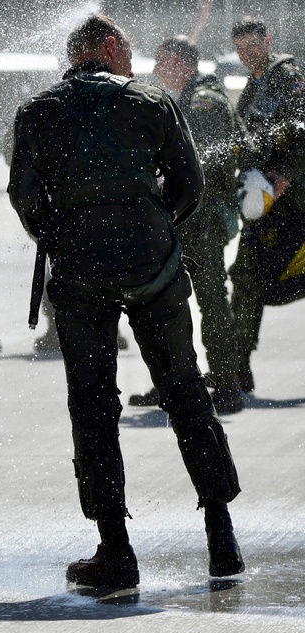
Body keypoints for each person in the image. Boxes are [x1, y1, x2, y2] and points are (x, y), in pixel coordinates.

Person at [8, 14, 243, 588]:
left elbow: (24, 198)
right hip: (154, 269)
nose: (134, 60)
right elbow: (190, 185)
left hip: (81, 273)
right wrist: (155, 230)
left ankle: (116, 550)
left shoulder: (38, 111)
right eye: (129, 49)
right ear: (109, 47)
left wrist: (61, 237)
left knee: (92, 407)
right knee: (186, 392)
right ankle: (221, 538)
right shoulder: (152, 101)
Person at [128, 35, 245, 413]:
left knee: (211, 299)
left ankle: (227, 381)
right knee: (163, 303)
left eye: (165, 61)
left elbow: (203, 159)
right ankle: (170, 382)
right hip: (174, 217)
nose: (158, 68)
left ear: (183, 64)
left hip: (201, 218)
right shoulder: (172, 97)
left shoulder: (204, 101)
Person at [228, 16, 305, 393]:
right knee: (245, 276)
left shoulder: (287, 76)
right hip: (264, 203)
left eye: (253, 45)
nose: (247, 54)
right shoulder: (252, 86)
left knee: (280, 276)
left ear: (267, 40)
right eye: (240, 48)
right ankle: (237, 365)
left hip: (294, 203)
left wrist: (285, 176)